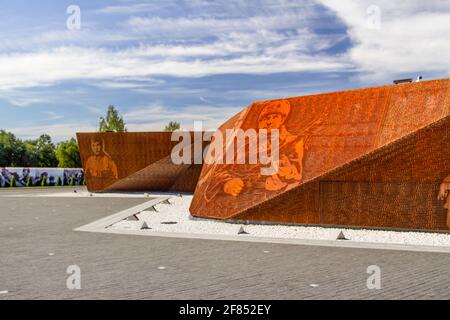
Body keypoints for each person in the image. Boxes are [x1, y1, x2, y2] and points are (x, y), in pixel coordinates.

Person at [202, 99, 305, 203]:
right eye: (266, 118)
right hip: (235, 200)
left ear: (282, 120)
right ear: (259, 123)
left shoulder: (292, 142)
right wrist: (226, 183)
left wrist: (283, 170)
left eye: (275, 117)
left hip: (268, 199)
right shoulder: (245, 145)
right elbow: (219, 170)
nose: (269, 121)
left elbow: (295, 175)